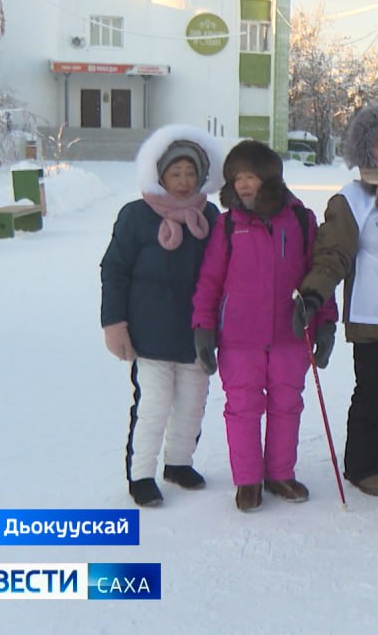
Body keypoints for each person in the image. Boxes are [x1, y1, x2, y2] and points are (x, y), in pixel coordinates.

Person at [191, 140, 338, 512]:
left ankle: (279, 474)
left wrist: (325, 322)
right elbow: (210, 280)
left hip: (290, 333)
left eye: (251, 176)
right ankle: (247, 480)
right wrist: (203, 327)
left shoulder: (301, 220)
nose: (243, 184)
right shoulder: (227, 226)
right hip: (239, 337)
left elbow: (318, 274)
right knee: (243, 406)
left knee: (287, 404)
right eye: (237, 177)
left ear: (269, 178)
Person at [298, 102, 378, 497]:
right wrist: (314, 293)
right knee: (374, 392)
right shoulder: (351, 199)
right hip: (373, 310)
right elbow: (332, 253)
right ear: (365, 151)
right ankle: (362, 465)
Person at [100, 125, 222, 507]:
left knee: (192, 404)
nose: (183, 182)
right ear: (160, 175)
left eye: (190, 173)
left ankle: (179, 463)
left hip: (194, 333)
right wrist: (114, 323)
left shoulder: (211, 216)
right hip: (149, 333)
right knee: (153, 407)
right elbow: (114, 270)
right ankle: (141, 475)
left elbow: (223, 273)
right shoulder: (136, 216)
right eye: (175, 173)